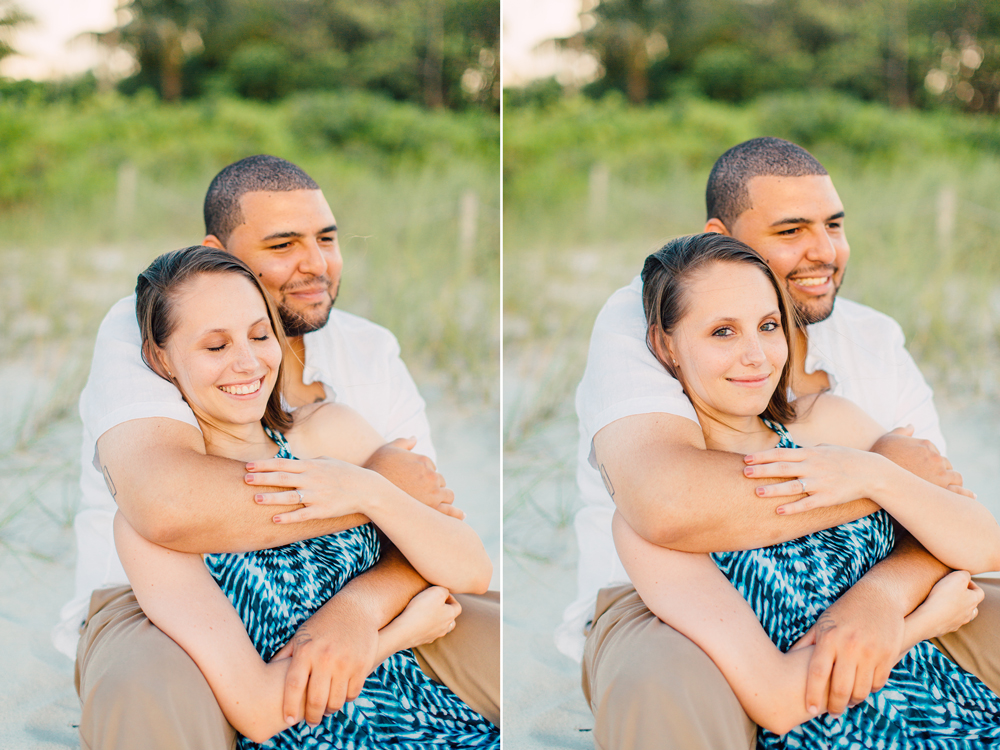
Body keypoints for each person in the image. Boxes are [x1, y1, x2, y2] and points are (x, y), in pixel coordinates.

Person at [558, 137, 1000, 749]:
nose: (823, 250)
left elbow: (968, 531)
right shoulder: (636, 322)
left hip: (924, 678)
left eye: (769, 326)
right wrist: (918, 614)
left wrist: (876, 489)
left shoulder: (836, 409)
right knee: (664, 691)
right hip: (815, 698)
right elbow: (668, 508)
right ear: (666, 347)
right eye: (792, 230)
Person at [56, 155, 500, 749]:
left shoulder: (333, 421)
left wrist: (367, 492)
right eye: (215, 345)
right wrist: (381, 630)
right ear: (161, 360)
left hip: (414, 702)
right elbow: (262, 708)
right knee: (151, 700)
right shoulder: (137, 334)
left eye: (260, 335)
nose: (245, 361)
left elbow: (464, 560)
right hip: (305, 715)